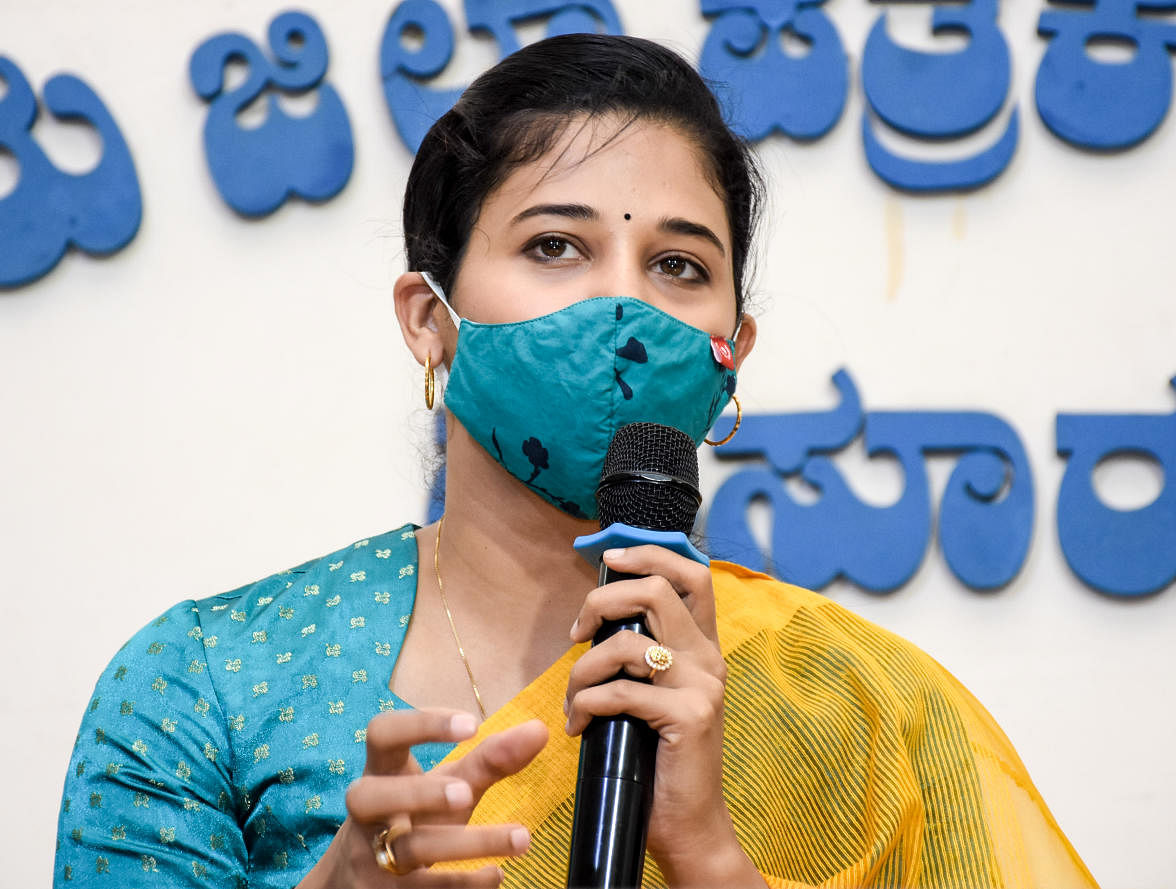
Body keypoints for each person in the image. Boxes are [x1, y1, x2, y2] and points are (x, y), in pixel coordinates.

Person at [53, 33, 1096, 889]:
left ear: (732, 354)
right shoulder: (202, 688)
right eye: (556, 245)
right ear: (431, 320)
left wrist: (711, 857)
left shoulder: (866, 710)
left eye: (680, 265)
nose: (624, 309)